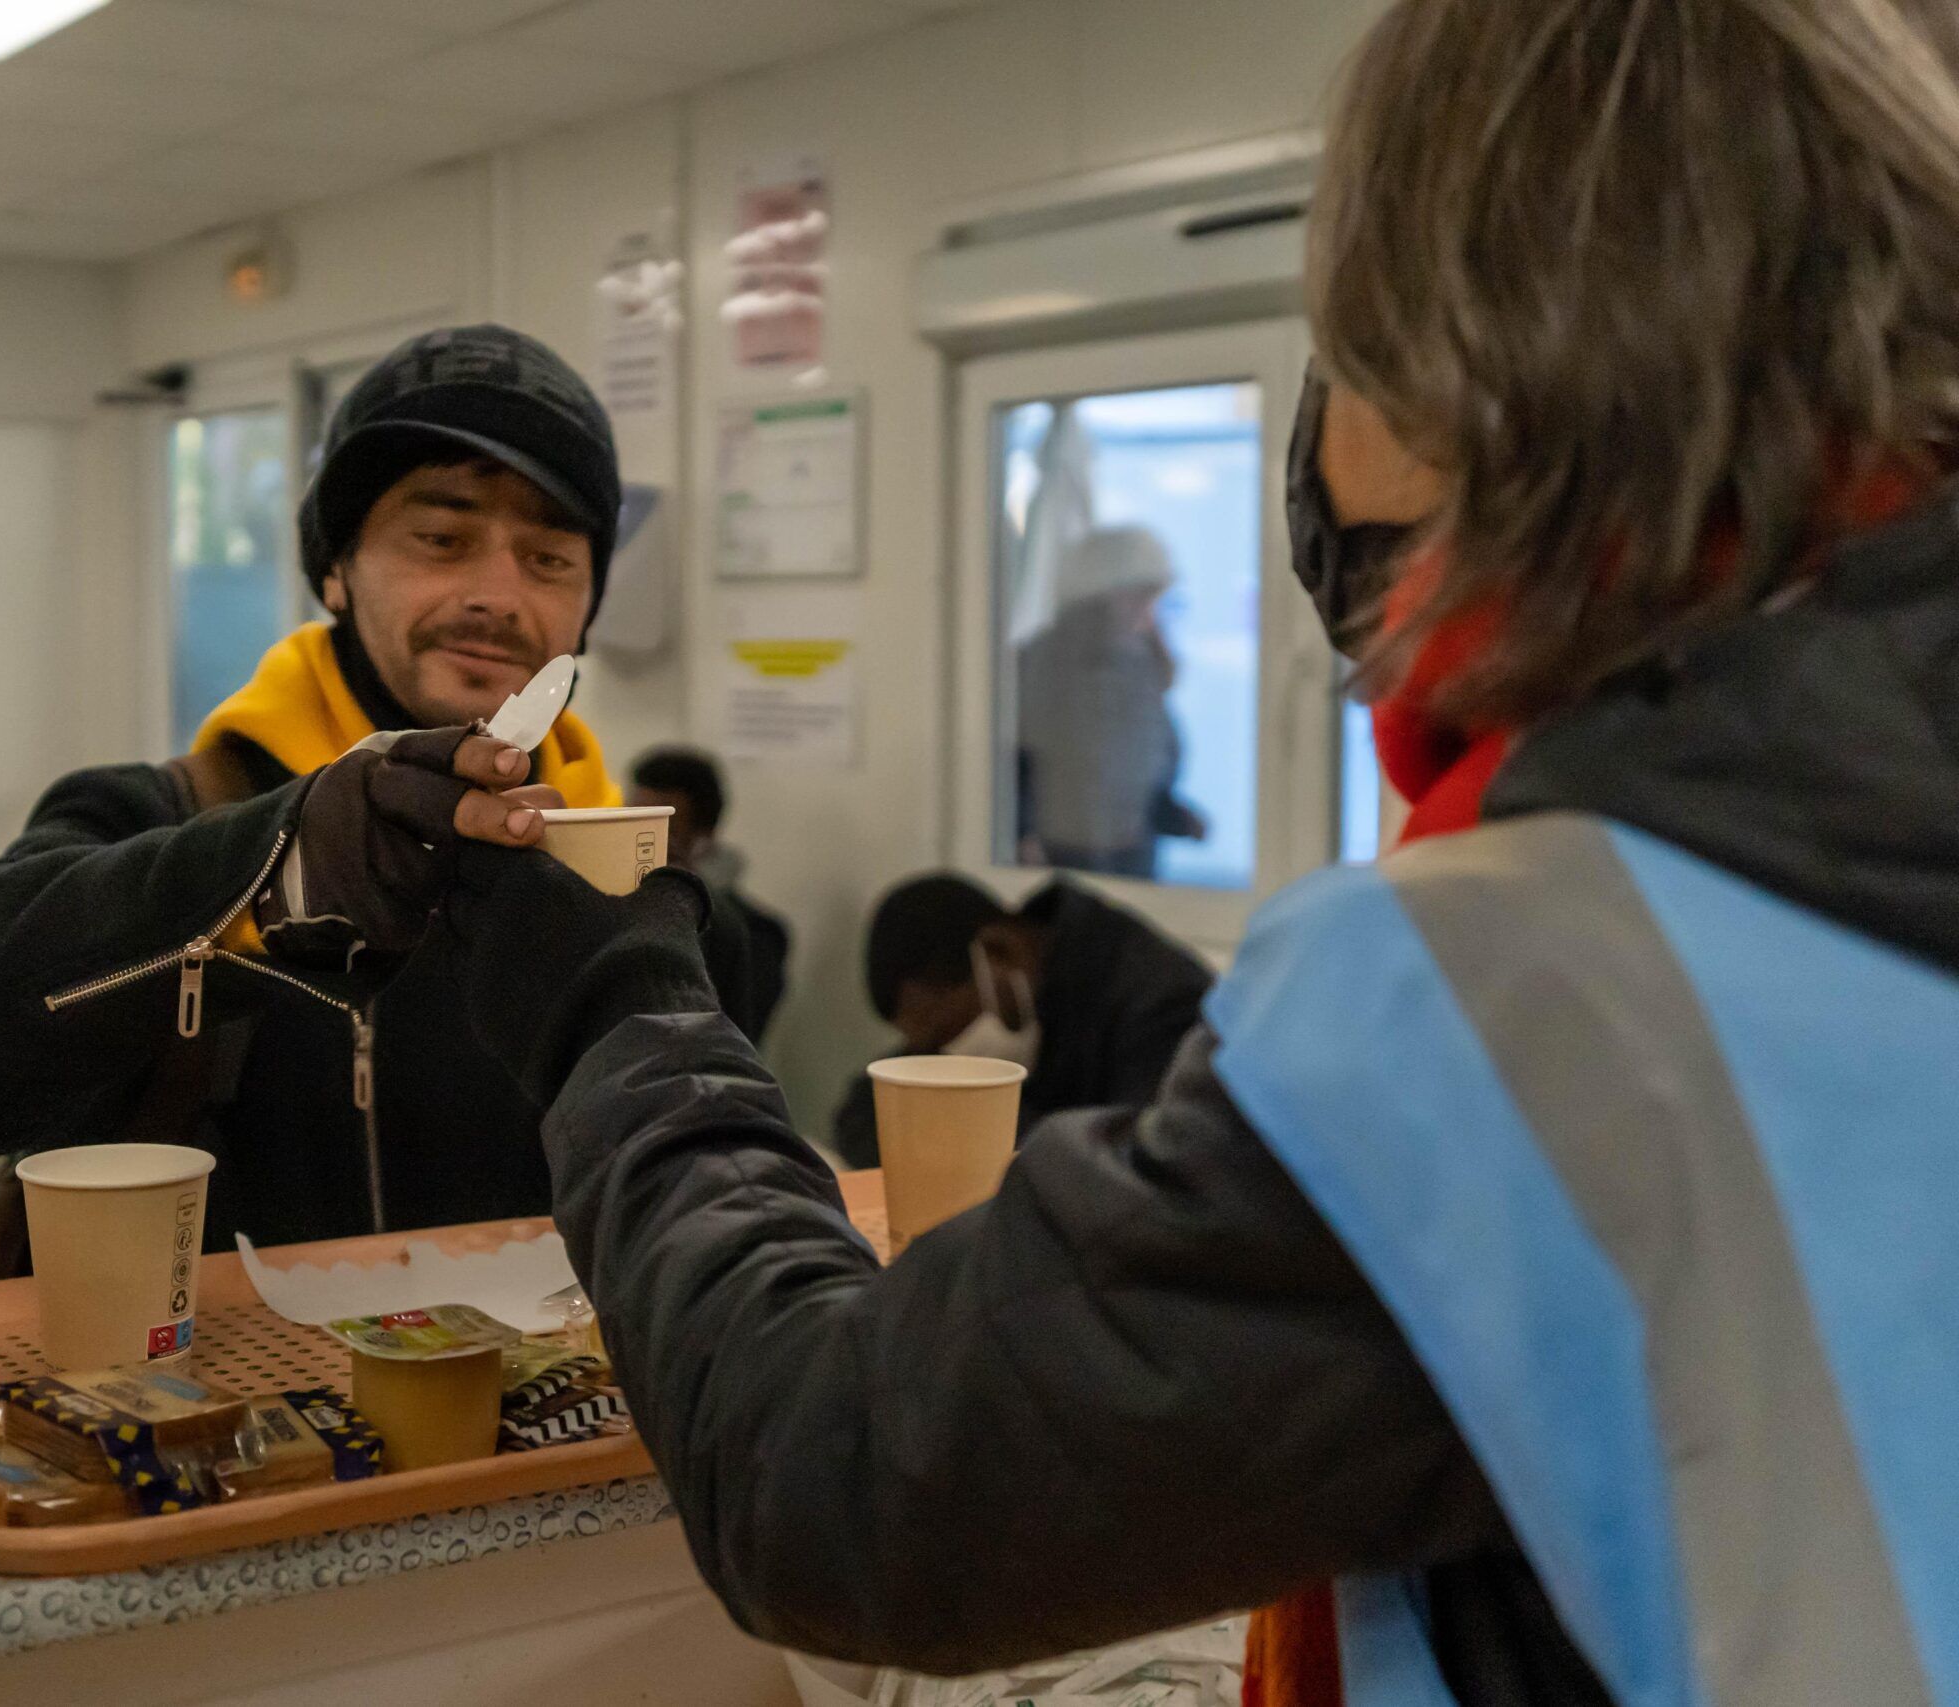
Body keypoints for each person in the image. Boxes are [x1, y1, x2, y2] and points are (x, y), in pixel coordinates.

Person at [424, 1, 1959, 1699]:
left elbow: (850, 1485)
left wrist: (622, 1001)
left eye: (1342, 339)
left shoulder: (1515, 983)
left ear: (1470, 359)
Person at [0, 324, 629, 1253]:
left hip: (556, 1394)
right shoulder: (158, 816)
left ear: (588, 605)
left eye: (550, 559)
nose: (497, 593)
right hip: (213, 1389)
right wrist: (257, 878)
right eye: (441, 537)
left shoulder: (634, 873)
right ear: (335, 569)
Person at [829, 872, 1209, 1167]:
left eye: (950, 1033)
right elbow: (865, 1111)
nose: (951, 1054)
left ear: (1000, 952)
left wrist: (959, 1131)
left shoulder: (1160, 1005)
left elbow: (1128, 1167)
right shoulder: (1021, 984)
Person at [1014, 528, 1208, 876]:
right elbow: (1031, 754)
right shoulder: (1051, 660)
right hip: (1066, 856)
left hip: (1130, 850)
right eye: (1139, 597)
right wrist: (1022, 831)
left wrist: (1168, 813)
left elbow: (1141, 756)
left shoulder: (1137, 659)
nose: (1146, 613)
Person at [629, 746, 791, 1045]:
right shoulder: (616, 914)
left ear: (705, 836)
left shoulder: (755, 934)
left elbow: (739, 1037)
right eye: (633, 824)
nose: (644, 845)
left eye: (665, 831)